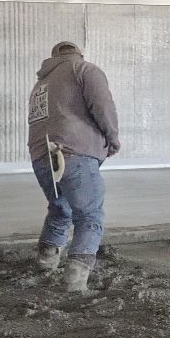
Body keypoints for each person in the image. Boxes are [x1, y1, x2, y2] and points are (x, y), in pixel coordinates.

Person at [26, 41, 120, 292]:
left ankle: (46, 260)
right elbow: (103, 106)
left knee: (60, 208)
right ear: (78, 54)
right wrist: (112, 138)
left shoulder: (40, 84)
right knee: (89, 215)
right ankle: (76, 280)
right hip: (73, 152)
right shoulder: (85, 70)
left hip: (41, 156)